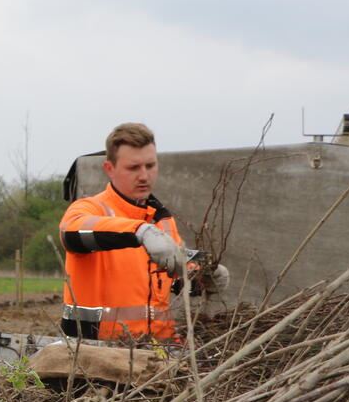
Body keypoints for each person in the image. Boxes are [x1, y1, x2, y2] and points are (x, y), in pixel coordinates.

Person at [59, 123, 230, 342]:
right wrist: (139, 231)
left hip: (158, 355)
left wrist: (205, 276)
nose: (144, 176)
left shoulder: (162, 221)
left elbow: (174, 280)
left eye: (150, 166)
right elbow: (70, 232)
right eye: (133, 167)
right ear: (109, 169)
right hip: (94, 357)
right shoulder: (88, 209)